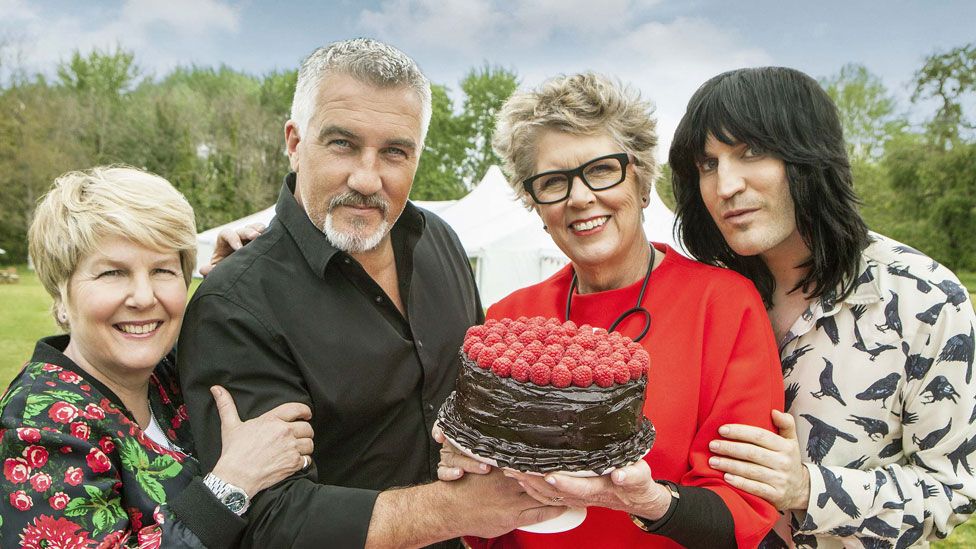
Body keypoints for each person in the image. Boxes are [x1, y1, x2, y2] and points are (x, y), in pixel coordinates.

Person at [176, 38, 562, 548]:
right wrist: (455, 510)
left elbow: (470, 394)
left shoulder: (439, 241)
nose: (366, 177)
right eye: (342, 144)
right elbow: (267, 522)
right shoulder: (236, 303)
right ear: (294, 142)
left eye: (394, 152)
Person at [436, 72, 784, 548]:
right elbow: (487, 529)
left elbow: (744, 512)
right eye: (553, 181)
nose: (580, 197)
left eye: (601, 170)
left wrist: (646, 501)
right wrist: (464, 481)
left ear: (641, 181)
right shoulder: (508, 322)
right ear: (536, 206)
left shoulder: (722, 304)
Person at [669, 66, 976, 547]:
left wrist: (808, 488)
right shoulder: (704, 296)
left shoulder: (925, 298)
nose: (725, 186)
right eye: (708, 165)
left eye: (751, 151)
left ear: (809, 156)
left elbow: (953, 490)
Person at [0, 166, 314, 548]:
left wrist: (235, 278)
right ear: (61, 296)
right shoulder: (37, 425)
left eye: (163, 270)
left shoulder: (167, 375)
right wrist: (233, 483)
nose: (145, 297)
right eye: (112, 273)